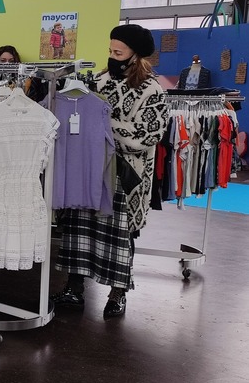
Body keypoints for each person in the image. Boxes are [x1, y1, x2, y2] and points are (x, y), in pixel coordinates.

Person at [55, 24, 168, 318]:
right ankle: (74, 287)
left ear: (136, 55)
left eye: (118, 53)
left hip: (126, 174)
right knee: (80, 224)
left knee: (120, 234)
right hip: (90, 168)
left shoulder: (152, 90)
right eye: (110, 51)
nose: (112, 57)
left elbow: (149, 134)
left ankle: (118, 293)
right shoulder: (98, 81)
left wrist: (103, 126)